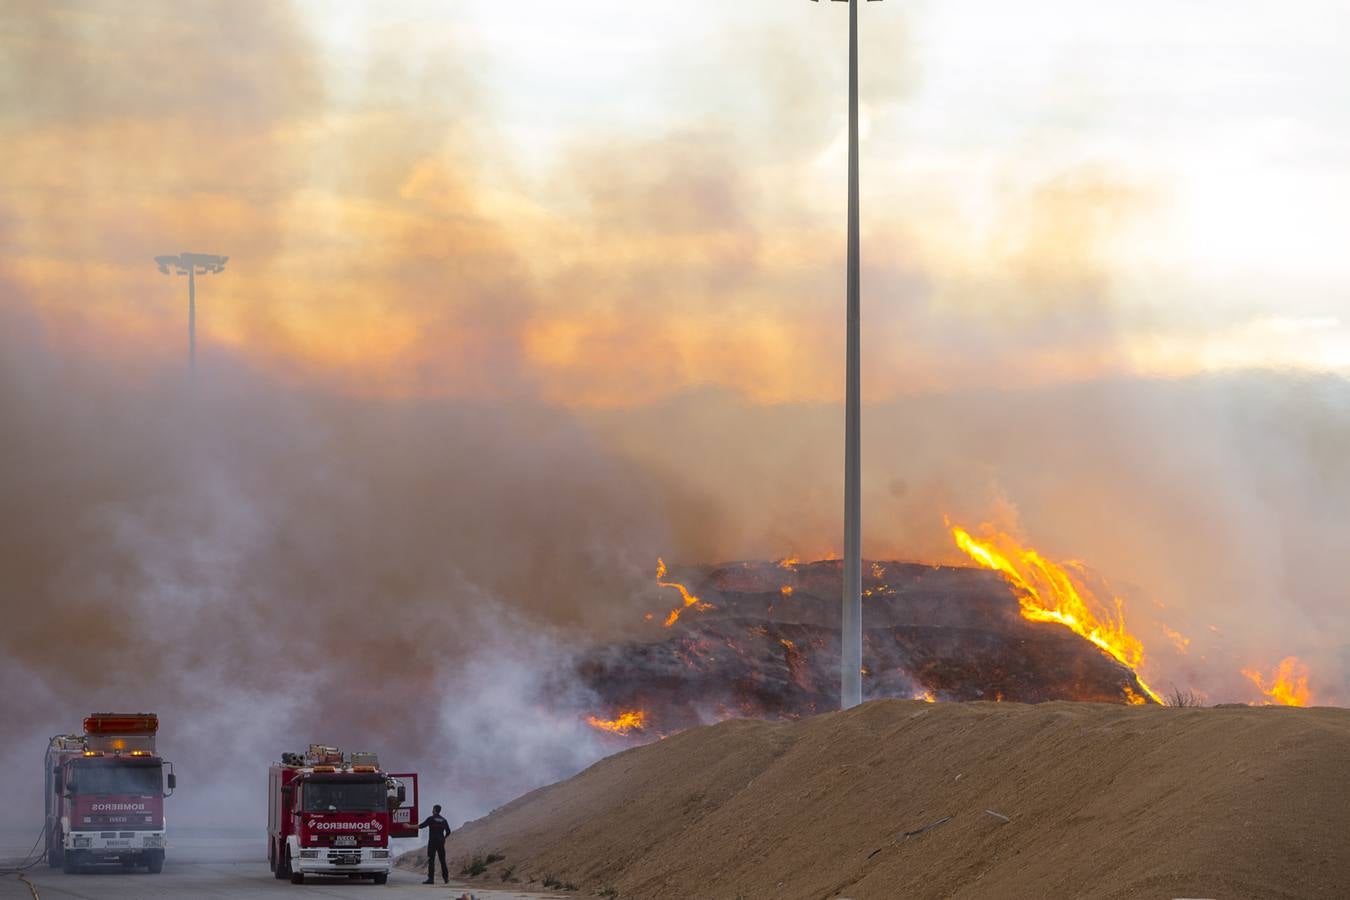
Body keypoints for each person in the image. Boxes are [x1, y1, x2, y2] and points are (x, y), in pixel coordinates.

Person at [418, 804, 452, 884]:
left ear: (434, 810)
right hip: (440, 842)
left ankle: (431, 879)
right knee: (442, 860)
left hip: (432, 842)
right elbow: (448, 831)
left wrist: (409, 826)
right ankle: (446, 878)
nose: (432, 810)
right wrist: (444, 838)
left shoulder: (431, 819)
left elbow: (421, 826)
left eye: (433, 809)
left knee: (431, 860)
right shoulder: (444, 820)